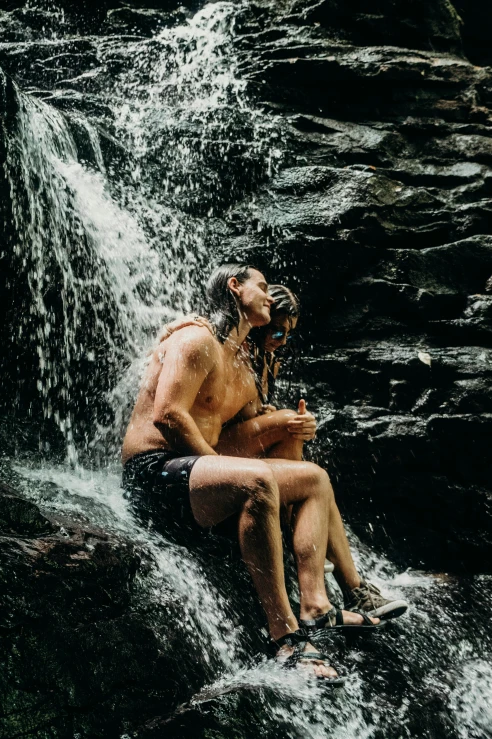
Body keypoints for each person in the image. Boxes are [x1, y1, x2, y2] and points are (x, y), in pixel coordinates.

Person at [122, 263, 380, 684]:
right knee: (256, 480)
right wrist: (219, 466)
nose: (268, 294)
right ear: (234, 287)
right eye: (261, 286)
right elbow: (168, 415)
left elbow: (250, 430)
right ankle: (286, 638)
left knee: (314, 478)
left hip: (196, 476)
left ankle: (316, 604)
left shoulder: (239, 361)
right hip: (154, 474)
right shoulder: (196, 338)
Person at [215, 284, 409, 622]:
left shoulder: (267, 361)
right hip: (211, 457)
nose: (281, 339)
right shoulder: (232, 348)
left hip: (239, 452)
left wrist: (277, 418)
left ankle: (354, 588)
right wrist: (279, 420)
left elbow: (251, 412)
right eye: (276, 330)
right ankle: (331, 567)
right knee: (291, 426)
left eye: (287, 334)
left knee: (307, 461)